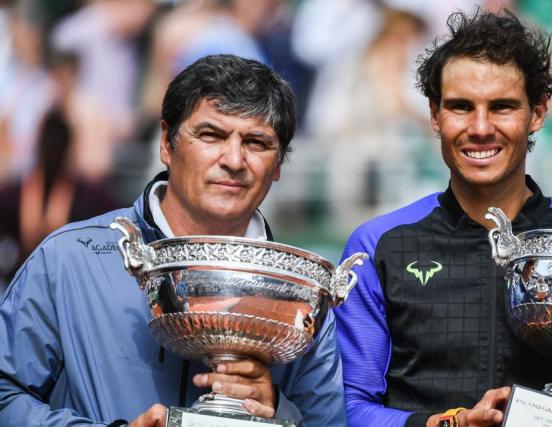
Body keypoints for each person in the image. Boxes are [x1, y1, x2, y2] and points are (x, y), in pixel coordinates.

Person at [335, 10, 552, 427]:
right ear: (434, 115)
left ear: (537, 112)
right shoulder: (379, 244)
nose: (480, 128)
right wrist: (452, 424)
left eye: (501, 107)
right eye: (461, 107)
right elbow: (349, 408)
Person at [0, 54, 347, 427]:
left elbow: (328, 422)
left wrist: (278, 411)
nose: (233, 159)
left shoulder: (303, 294)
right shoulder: (69, 258)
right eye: (211, 134)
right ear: (167, 142)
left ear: (278, 164)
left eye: (256, 142)